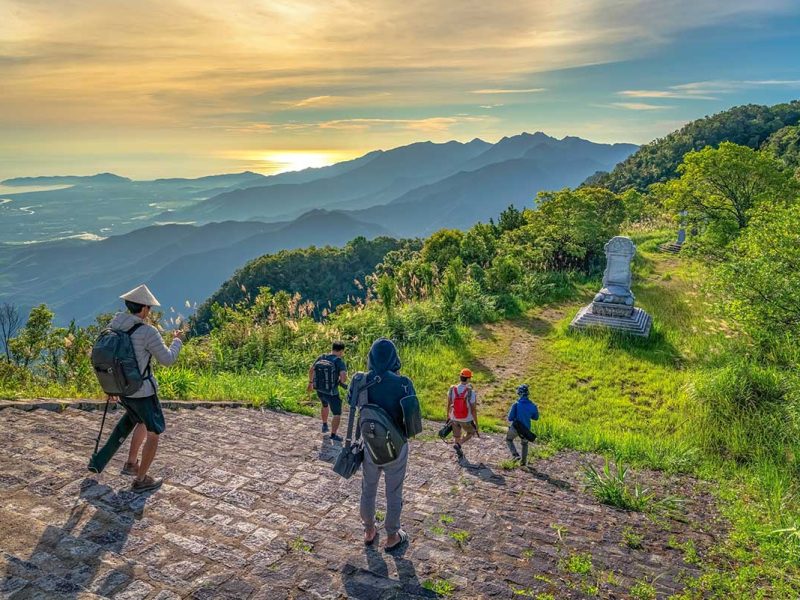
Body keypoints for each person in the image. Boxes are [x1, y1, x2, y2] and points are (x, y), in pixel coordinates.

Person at [87, 284, 183, 493]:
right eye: (149, 308)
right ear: (144, 309)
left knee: (138, 420)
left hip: (123, 390)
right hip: (142, 392)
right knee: (154, 432)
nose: (150, 312)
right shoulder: (147, 332)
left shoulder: (114, 325)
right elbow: (167, 359)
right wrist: (177, 341)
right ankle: (141, 480)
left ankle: (131, 463)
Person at [359, 338, 415, 552]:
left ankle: (369, 529)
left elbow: (353, 404)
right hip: (397, 446)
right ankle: (392, 535)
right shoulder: (403, 383)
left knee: (368, 488)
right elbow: (412, 420)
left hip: (371, 446)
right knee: (394, 491)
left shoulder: (362, 380)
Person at [308, 341, 348, 441]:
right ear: (342, 351)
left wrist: (310, 382)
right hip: (332, 392)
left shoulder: (322, 357)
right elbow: (343, 378)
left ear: (332, 348)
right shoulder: (339, 361)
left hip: (320, 389)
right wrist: (341, 381)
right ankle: (333, 435)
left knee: (324, 405)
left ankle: (324, 424)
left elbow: (311, 370)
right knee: (337, 414)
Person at [447, 368, 478, 461]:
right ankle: (459, 444)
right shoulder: (471, 392)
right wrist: (476, 423)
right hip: (466, 419)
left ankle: (459, 452)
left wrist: (448, 416)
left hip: (454, 417)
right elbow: (473, 409)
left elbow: (448, 404)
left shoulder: (452, 389)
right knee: (471, 432)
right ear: (468, 379)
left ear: (460, 377)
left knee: (456, 435)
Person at [506, 384, 539, 465]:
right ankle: (523, 462)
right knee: (524, 444)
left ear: (519, 393)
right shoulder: (533, 406)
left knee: (509, 440)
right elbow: (535, 418)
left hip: (515, 427)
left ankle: (515, 454)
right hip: (526, 429)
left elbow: (510, 418)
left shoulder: (516, 404)